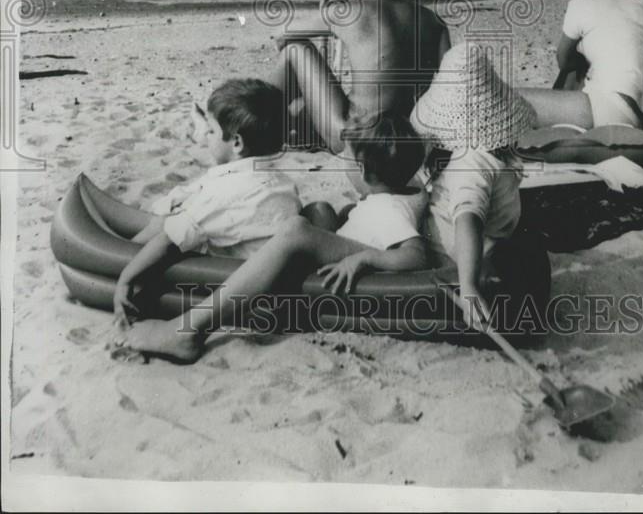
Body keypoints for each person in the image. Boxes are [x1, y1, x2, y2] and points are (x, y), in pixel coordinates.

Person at [113, 114, 428, 364]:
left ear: (362, 169)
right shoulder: (392, 197)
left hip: (345, 275)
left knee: (296, 229)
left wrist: (364, 257)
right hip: (342, 255)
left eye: (346, 161)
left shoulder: (390, 212)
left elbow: (415, 255)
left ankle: (188, 331)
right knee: (320, 210)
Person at [111, 78, 336, 328]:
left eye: (211, 131)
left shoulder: (226, 193)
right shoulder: (281, 182)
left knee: (168, 222)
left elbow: (170, 239)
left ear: (237, 143)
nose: (206, 137)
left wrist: (126, 278)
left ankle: (120, 252)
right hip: (274, 263)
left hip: (236, 280)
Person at [268, 0, 451, 154]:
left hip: (356, 140)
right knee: (303, 110)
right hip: (404, 139)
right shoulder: (433, 21)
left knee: (295, 50)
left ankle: (257, 122)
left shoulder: (352, 13)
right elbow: (447, 86)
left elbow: (281, 33)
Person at [410, 42, 536, 331]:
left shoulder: (473, 158)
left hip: (459, 245)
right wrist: (467, 286)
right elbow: (468, 218)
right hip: (458, 251)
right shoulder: (474, 163)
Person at [518, 0, 643, 129]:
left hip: (606, 106)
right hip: (636, 111)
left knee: (507, 100)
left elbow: (563, 61)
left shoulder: (580, 5)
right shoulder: (642, 5)